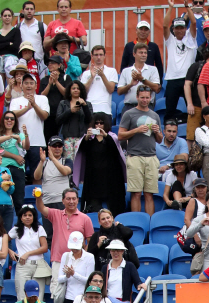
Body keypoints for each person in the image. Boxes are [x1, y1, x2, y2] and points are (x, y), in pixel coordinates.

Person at [35, 186, 93, 303]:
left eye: (74, 199)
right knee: (58, 295)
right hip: (58, 260)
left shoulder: (85, 218)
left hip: (79, 260)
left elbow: (89, 240)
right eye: (68, 199)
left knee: (78, 294)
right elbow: (41, 208)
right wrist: (38, 197)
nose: (71, 201)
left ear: (78, 200)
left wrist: (84, 258)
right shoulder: (55, 214)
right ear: (63, 200)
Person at [118, 86, 162, 216]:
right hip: (135, 156)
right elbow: (120, 135)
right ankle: (136, 222)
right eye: (142, 97)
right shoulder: (129, 114)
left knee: (149, 194)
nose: (145, 100)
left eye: (147, 97)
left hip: (151, 157)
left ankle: (149, 224)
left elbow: (160, 139)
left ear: (151, 98)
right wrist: (136, 130)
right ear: (137, 97)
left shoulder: (155, 115)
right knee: (136, 193)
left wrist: (157, 132)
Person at [163, 1, 197, 123]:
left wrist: (187, 7)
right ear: (174, 29)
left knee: (192, 109)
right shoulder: (170, 40)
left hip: (188, 79)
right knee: (169, 111)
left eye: (182, 28)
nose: (179, 30)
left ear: (185, 28)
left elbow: (193, 22)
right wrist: (170, 7)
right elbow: (164, 26)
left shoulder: (191, 38)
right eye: (177, 28)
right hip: (172, 79)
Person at [9, 72, 49, 177]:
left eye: (31, 83)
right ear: (21, 85)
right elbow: (12, 115)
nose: (29, 86)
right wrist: (27, 108)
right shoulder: (15, 100)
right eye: (26, 83)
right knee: (18, 175)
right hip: (18, 143)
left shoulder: (42, 98)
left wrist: (34, 104)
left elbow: (44, 116)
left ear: (36, 86)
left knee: (37, 174)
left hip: (37, 142)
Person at [8, 204, 49, 301]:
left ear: (34, 217)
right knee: (22, 297)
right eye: (24, 215)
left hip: (38, 266)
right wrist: (10, 251)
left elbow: (44, 248)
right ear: (21, 217)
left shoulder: (40, 229)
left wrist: (28, 253)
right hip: (22, 265)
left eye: (30, 215)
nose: (27, 217)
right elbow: (3, 241)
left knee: (38, 298)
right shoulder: (16, 229)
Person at [58, 230, 95, 303]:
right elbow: (60, 279)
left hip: (83, 298)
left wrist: (74, 274)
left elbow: (89, 281)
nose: (74, 250)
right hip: (68, 298)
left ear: (83, 243)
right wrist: (67, 276)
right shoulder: (65, 256)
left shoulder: (89, 257)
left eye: (76, 248)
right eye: (72, 248)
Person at [55, 79, 92, 160]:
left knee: (80, 162)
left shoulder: (87, 104)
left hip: (81, 138)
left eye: (78, 88)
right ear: (69, 90)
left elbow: (89, 119)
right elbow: (58, 120)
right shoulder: (63, 103)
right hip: (67, 138)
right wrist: (70, 111)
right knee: (68, 162)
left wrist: (84, 106)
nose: (76, 90)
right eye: (73, 88)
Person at [81, 45, 118, 124]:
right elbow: (83, 92)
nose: (98, 57)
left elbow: (111, 89)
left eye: (101, 55)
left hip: (105, 109)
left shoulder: (111, 71)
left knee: (104, 135)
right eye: (96, 55)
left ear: (104, 56)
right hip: (89, 109)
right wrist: (91, 77)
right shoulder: (86, 73)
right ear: (92, 56)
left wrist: (102, 75)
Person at [19, 2, 46, 74]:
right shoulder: (18, 27)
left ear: (34, 11)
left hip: (39, 62)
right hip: (23, 62)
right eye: (27, 9)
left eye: (31, 9)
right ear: (22, 11)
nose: (29, 11)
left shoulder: (42, 26)